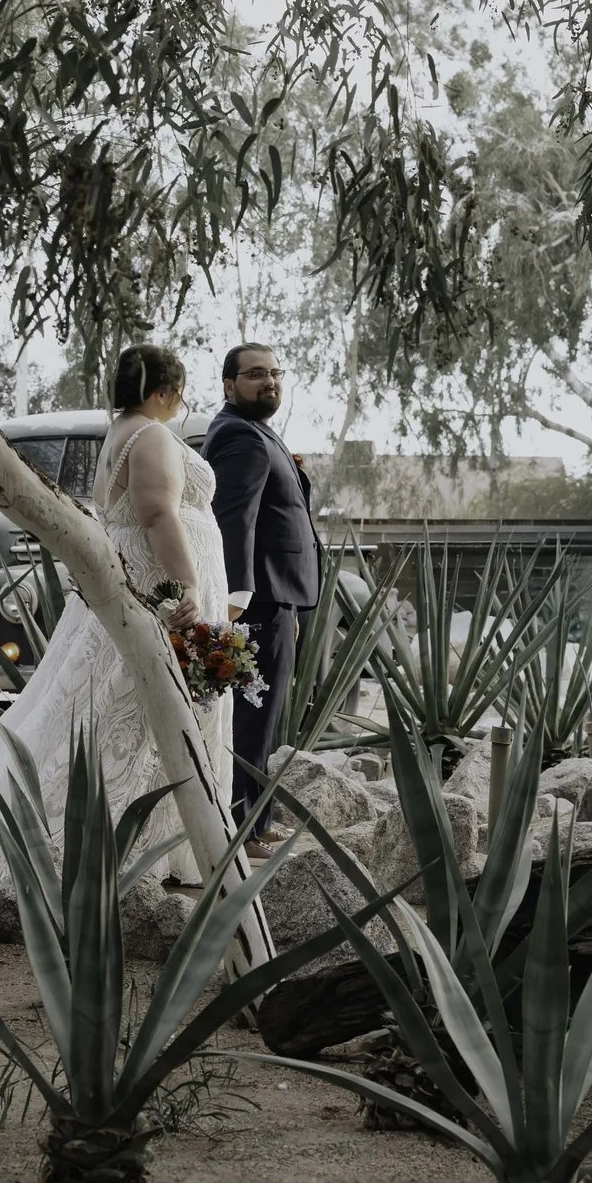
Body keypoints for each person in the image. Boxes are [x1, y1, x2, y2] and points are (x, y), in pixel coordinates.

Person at [0, 343, 232, 884]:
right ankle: (128, 842)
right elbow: (158, 511)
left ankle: (155, 840)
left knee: (112, 709)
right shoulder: (153, 435)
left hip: (137, 578)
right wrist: (186, 582)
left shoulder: (119, 433)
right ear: (165, 393)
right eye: (180, 395)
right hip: (159, 584)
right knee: (141, 709)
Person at [203, 342, 320, 858]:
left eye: (275, 373)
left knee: (266, 716)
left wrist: (286, 606)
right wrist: (239, 600)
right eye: (255, 374)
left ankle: (258, 817)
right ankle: (241, 830)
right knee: (251, 717)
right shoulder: (239, 436)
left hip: (278, 597)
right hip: (256, 600)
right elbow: (234, 523)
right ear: (229, 385)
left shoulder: (257, 431)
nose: (269, 381)